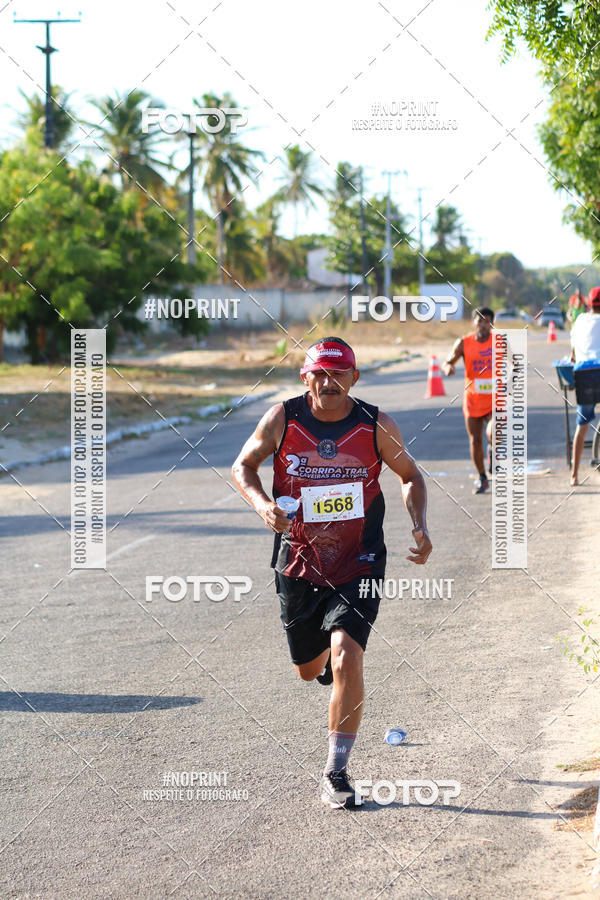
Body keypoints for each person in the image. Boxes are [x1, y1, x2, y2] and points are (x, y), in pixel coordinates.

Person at [231, 337, 432, 809]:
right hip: (298, 561)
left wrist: (420, 525)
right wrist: (262, 505)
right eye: (319, 373)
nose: (328, 382)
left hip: (359, 560)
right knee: (309, 670)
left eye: (338, 373)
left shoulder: (375, 425)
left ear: (354, 378)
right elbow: (244, 465)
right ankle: (321, 663)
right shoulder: (284, 418)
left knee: (346, 654)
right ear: (306, 377)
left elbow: (410, 476)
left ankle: (336, 771)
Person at [442, 308, 495, 494]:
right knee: (475, 441)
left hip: (495, 399)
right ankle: (482, 477)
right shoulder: (464, 343)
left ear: (492, 324)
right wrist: (448, 367)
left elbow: (515, 363)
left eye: (487, 321)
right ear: (473, 323)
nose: (483, 325)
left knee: (494, 432)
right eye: (479, 321)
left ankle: (492, 452)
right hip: (473, 399)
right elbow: (447, 361)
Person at [569, 287, 600, 485]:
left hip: (583, 375)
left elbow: (572, 354)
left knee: (582, 427)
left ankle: (574, 475)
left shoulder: (580, 320)